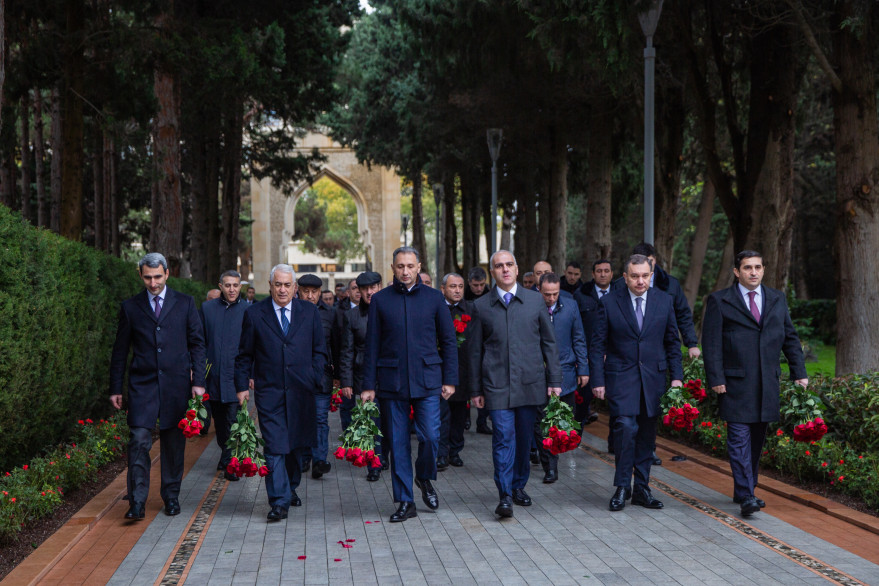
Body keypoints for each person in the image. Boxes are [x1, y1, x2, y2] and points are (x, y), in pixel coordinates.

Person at [701, 250, 808, 517]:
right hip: (735, 384)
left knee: (757, 440)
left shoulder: (776, 299)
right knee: (739, 439)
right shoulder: (719, 301)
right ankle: (747, 494)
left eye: (758, 267)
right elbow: (711, 343)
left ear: (763, 269)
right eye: (747, 267)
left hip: (766, 383)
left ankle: (744, 488)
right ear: (737, 271)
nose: (753, 272)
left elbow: (790, 338)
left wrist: (799, 372)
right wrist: (716, 378)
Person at [361, 246, 458, 523]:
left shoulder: (435, 298)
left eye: (410, 266)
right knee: (398, 443)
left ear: (418, 267)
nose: (405, 271)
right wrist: (368, 385)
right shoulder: (380, 300)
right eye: (400, 266)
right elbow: (372, 346)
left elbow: (448, 341)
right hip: (392, 382)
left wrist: (450, 379)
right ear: (393, 268)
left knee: (430, 436)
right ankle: (405, 501)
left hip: (428, 380)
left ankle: (425, 478)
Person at [109, 253, 207, 520]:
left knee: (173, 443)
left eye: (157, 277)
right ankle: (137, 502)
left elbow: (197, 344)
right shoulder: (130, 307)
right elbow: (120, 351)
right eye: (147, 277)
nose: (153, 283)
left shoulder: (185, 303)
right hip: (143, 386)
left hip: (176, 385)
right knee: (139, 441)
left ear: (167, 274)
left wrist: (198, 381)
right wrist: (115, 388)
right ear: (140, 275)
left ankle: (171, 496)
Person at [468, 250, 562, 518]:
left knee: (523, 440)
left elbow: (549, 344)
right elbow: (474, 352)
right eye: (499, 266)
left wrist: (554, 380)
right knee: (502, 438)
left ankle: (519, 485)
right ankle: (505, 494)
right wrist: (475, 390)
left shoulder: (534, 301)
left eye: (509, 265)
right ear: (493, 272)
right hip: (496, 385)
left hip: (530, 383)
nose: (505, 269)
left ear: (518, 269)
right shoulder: (481, 306)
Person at [235, 264, 328, 521]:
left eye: (288, 285)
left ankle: (291, 486)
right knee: (275, 448)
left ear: (295, 288)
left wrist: (313, 375)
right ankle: (278, 501)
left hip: (301, 391)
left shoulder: (309, 312)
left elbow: (320, 350)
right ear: (270, 286)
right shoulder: (255, 314)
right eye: (278, 284)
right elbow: (244, 355)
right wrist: (242, 386)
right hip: (270, 393)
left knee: (296, 447)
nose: (283, 289)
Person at [590, 254, 683, 512]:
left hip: (653, 379)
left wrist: (676, 378)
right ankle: (622, 486)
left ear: (651, 276)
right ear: (625, 277)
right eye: (635, 276)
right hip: (621, 378)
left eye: (645, 276)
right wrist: (597, 380)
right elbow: (597, 345)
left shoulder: (664, 302)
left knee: (646, 435)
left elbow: (673, 344)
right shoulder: (609, 303)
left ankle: (642, 488)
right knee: (625, 428)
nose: (640, 281)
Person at [535, 272, 589, 483]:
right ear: (539, 290)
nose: (551, 298)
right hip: (539, 373)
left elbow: (579, 337)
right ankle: (550, 465)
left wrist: (583, 368)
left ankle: (553, 456)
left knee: (562, 419)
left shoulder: (570, 306)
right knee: (541, 421)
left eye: (555, 294)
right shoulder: (532, 306)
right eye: (547, 294)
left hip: (566, 372)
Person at [201, 270, 248, 482]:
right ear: (220, 286)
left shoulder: (248, 310)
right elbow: (199, 341)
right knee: (219, 423)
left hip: (236, 376)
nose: (232, 289)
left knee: (232, 419)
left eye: (235, 285)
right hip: (213, 376)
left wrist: (251, 375)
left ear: (240, 287)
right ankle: (225, 452)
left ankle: (230, 463)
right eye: (227, 285)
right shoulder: (207, 308)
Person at [338, 271, 385, 481]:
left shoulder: (389, 310)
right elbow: (346, 350)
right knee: (371, 419)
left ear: (379, 288)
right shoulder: (351, 316)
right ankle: (374, 463)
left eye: (373, 287)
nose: (369, 292)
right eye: (365, 289)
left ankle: (385, 455)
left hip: (388, 373)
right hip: (363, 375)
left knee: (389, 420)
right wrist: (346, 381)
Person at [297, 274, 337, 480]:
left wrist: (339, 377)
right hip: (297, 378)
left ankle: (319, 460)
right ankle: (304, 457)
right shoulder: (291, 312)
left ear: (320, 293)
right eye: (306, 291)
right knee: (303, 418)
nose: (310, 296)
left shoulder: (331, 314)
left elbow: (338, 346)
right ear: (299, 291)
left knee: (320, 419)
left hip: (322, 377)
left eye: (314, 292)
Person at [437, 273, 477, 470]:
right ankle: (441, 453)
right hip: (440, 371)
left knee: (460, 416)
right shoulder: (436, 308)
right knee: (442, 415)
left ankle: (455, 451)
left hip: (463, 371)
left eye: (460, 286)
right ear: (443, 288)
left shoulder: (470, 309)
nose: (457, 290)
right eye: (453, 286)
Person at [573, 259, 614, 427]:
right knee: (582, 401)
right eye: (599, 271)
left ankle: (615, 444)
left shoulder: (621, 294)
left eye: (606, 271)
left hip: (613, 357)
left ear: (612, 274)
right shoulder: (581, 294)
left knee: (616, 404)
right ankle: (575, 438)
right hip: (588, 357)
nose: (603, 274)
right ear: (593, 274)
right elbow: (575, 329)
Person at [463, 266, 491, 433]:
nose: (479, 288)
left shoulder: (490, 297)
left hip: (484, 346)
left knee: (483, 384)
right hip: (466, 345)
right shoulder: (463, 297)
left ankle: (482, 420)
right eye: (475, 285)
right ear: (469, 283)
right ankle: (466, 416)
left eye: (481, 285)